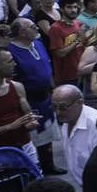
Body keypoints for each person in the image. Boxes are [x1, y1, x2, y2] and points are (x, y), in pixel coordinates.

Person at [8, 18, 61, 175]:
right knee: (32, 135)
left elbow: (47, 67)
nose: (36, 28)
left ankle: (48, 165)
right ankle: (32, 169)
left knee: (47, 133)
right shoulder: (11, 51)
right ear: (22, 32)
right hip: (28, 99)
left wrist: (53, 89)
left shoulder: (38, 44)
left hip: (46, 96)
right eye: (32, 27)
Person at [53, 84, 97, 190]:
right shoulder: (68, 120)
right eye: (54, 107)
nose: (58, 112)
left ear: (80, 102)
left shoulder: (95, 125)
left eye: (63, 107)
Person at [49, 0, 85, 87]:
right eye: (69, 7)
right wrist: (77, 40)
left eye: (75, 7)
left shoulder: (78, 24)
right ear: (61, 9)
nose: (73, 10)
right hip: (66, 77)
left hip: (81, 71)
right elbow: (60, 53)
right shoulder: (56, 28)